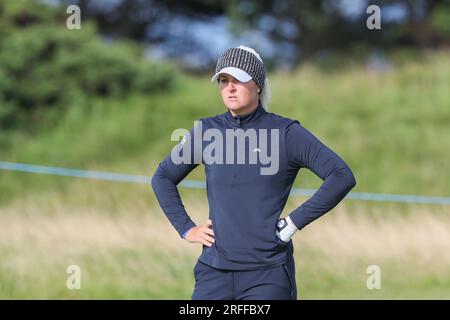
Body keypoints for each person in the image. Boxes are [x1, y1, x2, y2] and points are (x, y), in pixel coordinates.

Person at [151, 45, 356, 300]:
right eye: (224, 81)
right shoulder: (206, 132)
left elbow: (341, 175)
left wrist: (292, 223)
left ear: (257, 84)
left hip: (267, 276)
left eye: (238, 80)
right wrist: (186, 228)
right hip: (213, 273)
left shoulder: (286, 133)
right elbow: (162, 178)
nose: (230, 88)